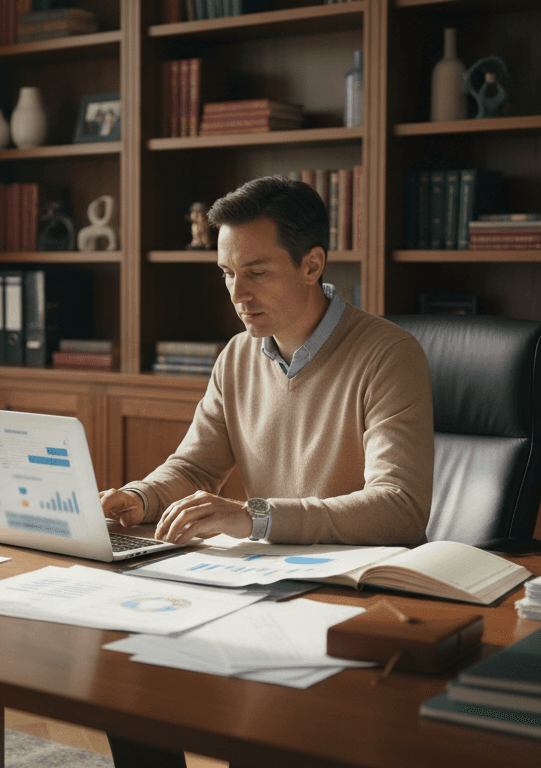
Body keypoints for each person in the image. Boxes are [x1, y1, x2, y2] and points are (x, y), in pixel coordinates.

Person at [99, 175, 435, 767]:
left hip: (345, 594)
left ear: (313, 264)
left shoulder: (388, 354)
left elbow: (399, 504)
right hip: (258, 582)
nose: (236, 292)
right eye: (227, 273)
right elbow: (197, 463)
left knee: (262, 728)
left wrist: (253, 517)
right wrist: (137, 499)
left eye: (256, 272)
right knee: (126, 665)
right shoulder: (237, 355)